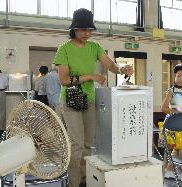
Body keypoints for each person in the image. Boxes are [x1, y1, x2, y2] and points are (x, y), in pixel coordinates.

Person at [53, 8, 133, 187]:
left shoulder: (94, 47)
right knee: (77, 145)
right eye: (83, 30)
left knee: (88, 144)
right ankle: (73, 182)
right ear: (74, 29)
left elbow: (110, 64)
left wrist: (122, 69)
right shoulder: (64, 49)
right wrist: (90, 76)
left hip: (89, 100)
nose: (87, 33)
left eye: (90, 30)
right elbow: (64, 80)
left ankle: (84, 178)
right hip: (71, 100)